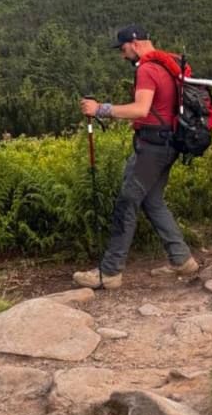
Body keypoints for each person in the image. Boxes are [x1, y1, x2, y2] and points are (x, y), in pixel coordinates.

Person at [74, 24, 200, 290]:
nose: (122, 55)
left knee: (127, 202)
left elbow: (141, 109)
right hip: (171, 143)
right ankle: (182, 260)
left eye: (123, 49)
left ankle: (109, 273)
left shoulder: (147, 68)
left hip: (152, 146)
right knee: (152, 201)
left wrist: (100, 109)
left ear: (135, 43)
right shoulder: (169, 64)